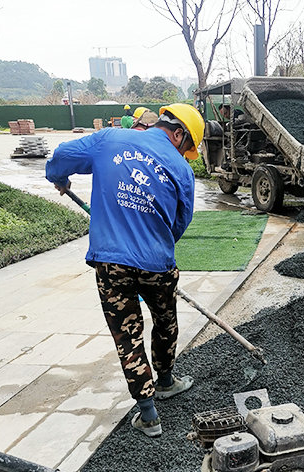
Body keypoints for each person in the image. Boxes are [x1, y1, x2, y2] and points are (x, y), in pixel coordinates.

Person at [45, 103, 205, 438]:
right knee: (166, 322)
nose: (184, 152)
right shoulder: (181, 169)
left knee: (127, 334)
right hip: (157, 264)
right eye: (186, 146)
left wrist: (58, 178)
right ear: (178, 134)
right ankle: (165, 381)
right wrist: (156, 246)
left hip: (111, 262)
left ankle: (149, 416)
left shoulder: (109, 140)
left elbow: (60, 156)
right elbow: (180, 222)